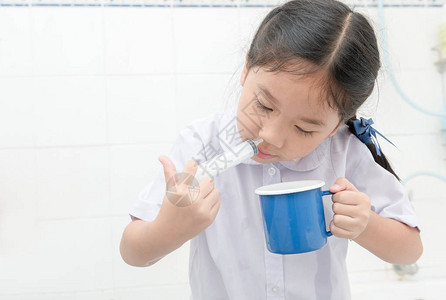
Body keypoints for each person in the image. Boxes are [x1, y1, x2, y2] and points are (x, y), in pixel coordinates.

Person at [120, 0, 423, 299]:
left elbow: (410, 251)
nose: (272, 136)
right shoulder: (203, 143)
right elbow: (132, 251)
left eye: (304, 129)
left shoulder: (345, 152)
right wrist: (170, 227)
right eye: (264, 105)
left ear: (335, 126)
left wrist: (366, 224)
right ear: (247, 67)